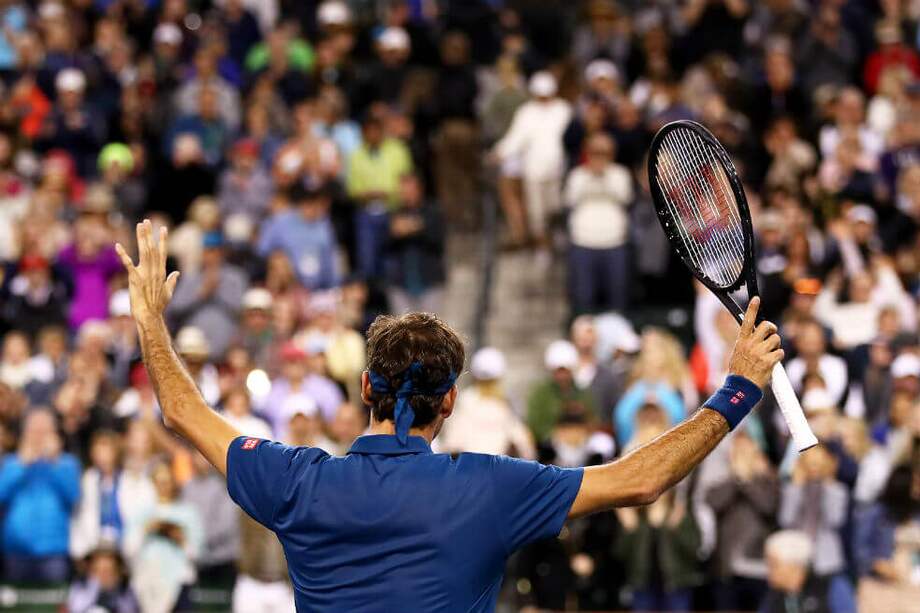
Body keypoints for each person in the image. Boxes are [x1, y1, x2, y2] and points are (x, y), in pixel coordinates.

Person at [115, 220, 785, 612]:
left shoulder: (296, 481)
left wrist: (149, 319)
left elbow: (181, 407)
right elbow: (640, 480)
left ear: (365, 389)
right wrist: (737, 390)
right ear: (451, 401)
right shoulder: (489, 486)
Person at [0, 409, 80, 583]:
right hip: (16, 550)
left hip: (53, 551)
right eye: (34, 431)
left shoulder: (67, 463)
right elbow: (2, 495)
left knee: (54, 598)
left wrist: (54, 462)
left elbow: (73, 497)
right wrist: (21, 464)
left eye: (44, 432)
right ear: (24, 434)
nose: (39, 437)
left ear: (55, 435)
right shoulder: (10, 462)